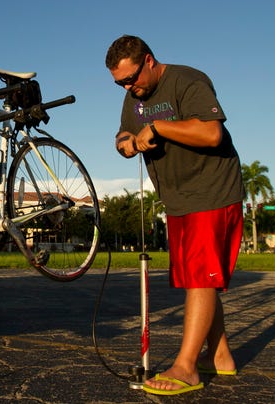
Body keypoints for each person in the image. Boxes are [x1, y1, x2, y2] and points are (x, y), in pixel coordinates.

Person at [105, 35, 245, 396]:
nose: (128, 87)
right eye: (120, 83)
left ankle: (186, 367)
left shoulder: (187, 80)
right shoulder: (134, 96)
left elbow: (212, 133)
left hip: (212, 191)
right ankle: (220, 356)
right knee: (198, 278)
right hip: (177, 198)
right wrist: (126, 144)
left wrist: (159, 127)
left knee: (201, 279)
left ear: (149, 61)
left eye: (131, 78)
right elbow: (124, 133)